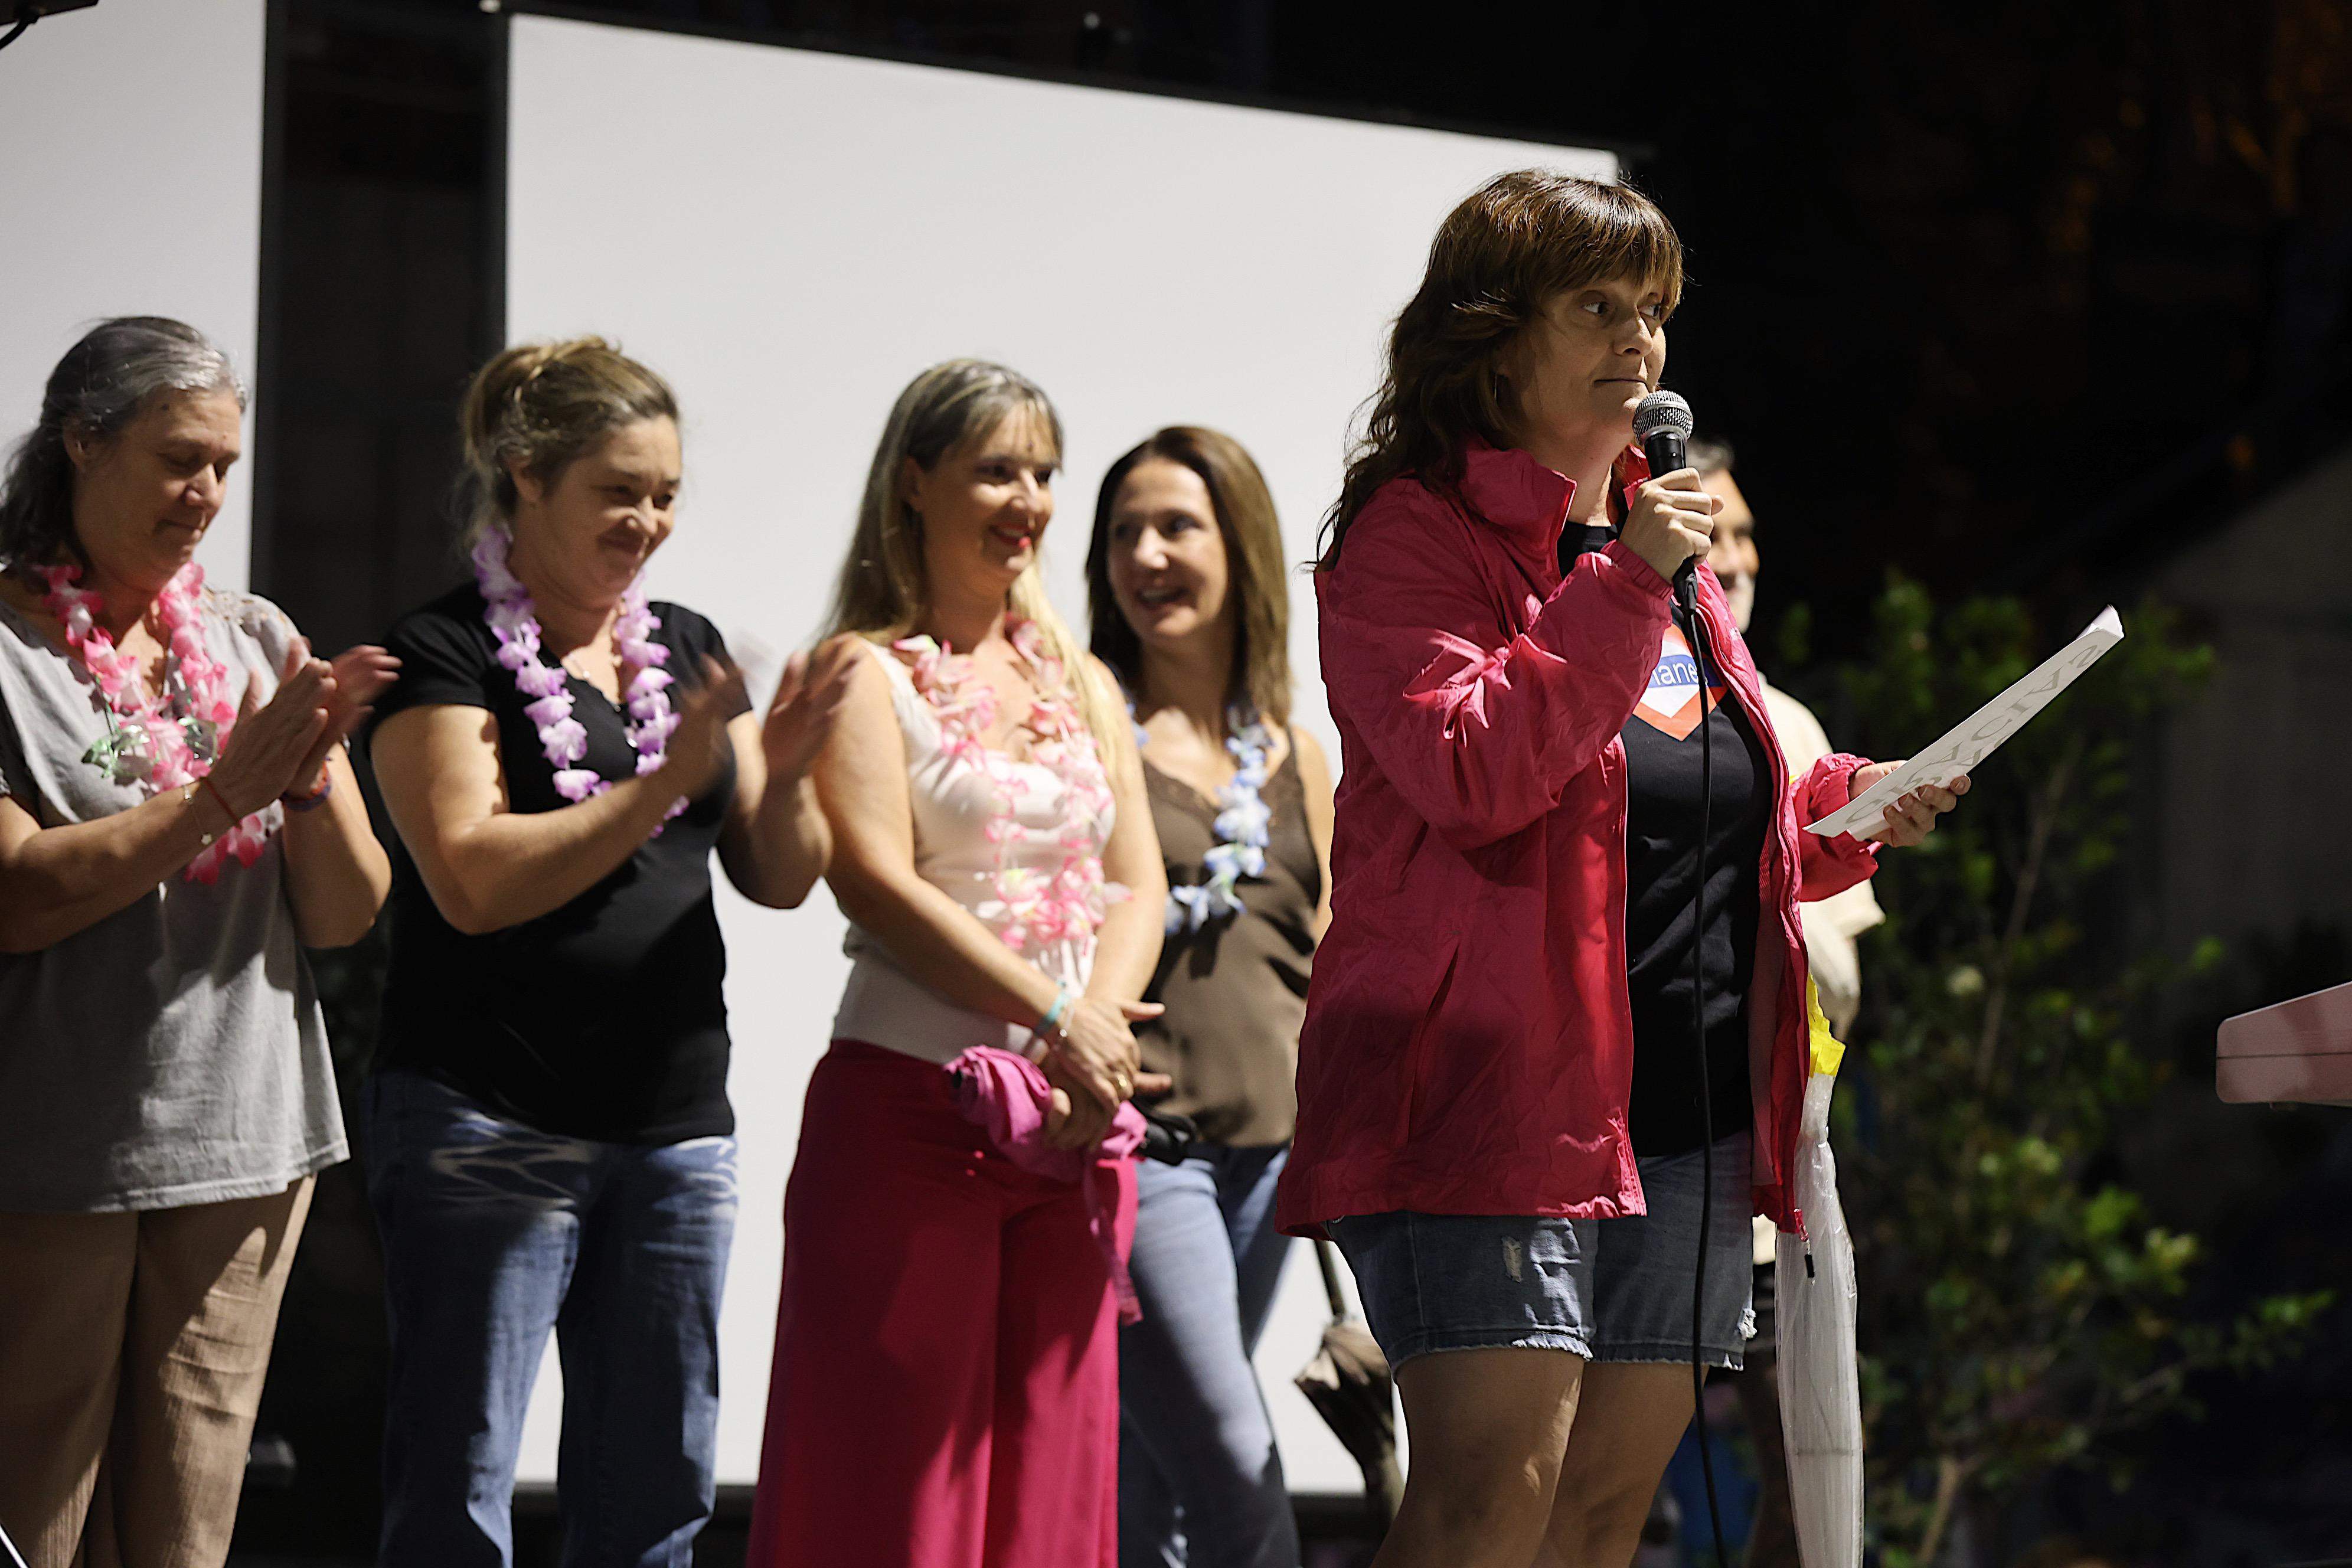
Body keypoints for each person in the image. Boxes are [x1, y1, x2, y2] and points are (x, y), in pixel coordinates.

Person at [1273, 170, 1969, 1568]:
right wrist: (1629, 579)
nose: (1639, 340)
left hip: (1683, 1111)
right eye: (1597, 306)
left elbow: (1702, 794)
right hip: (1492, 1101)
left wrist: (1857, 803)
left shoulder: (1661, 540)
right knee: (1487, 1507)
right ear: (1494, 336)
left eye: (1652, 310)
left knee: (1599, 1521)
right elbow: (1475, 769)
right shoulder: (1417, 534)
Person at [363, 338, 850, 1566]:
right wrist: (658, 786)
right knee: (457, 1488)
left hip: (674, 1130)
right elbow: (472, 879)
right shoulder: (444, 650)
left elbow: (777, 877)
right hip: (489, 1118)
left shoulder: (681, 644)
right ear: (526, 475)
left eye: (666, 494)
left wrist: (791, 773)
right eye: (618, 490)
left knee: (656, 1494)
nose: (648, 522)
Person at [748, 360, 1168, 1568]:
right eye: (995, 470)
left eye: (1042, 472)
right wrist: (1059, 1015)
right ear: (915, 482)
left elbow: (1137, 882)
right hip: (911, 1117)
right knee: (900, 1504)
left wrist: (1090, 1038)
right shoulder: (862, 672)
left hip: (1070, 1128)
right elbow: (877, 880)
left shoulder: (1081, 680)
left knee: (1050, 1497)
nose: (1027, 499)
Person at [0, 316, 394, 1568]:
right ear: (82, 442)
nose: (208, 493)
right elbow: (18, 895)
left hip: (244, 1140)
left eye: (225, 464)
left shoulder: (252, 636)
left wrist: (309, 779)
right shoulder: (7, 647)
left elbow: (347, 912)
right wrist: (224, 794)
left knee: (188, 1525)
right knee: (36, 1512)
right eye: (179, 459)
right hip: (54, 1146)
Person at [1086, 427, 1335, 1568]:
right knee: (1234, 1463)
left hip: (1276, 1158)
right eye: (1124, 533)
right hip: (1150, 1150)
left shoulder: (1296, 753)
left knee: (1155, 1477)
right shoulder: (1087, 730)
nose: (1146, 555)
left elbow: (1334, 949)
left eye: (1176, 526)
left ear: (1239, 545)